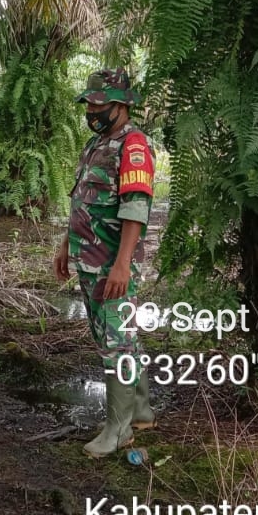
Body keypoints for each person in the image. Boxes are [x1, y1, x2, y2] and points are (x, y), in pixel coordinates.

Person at [54, 68, 158, 458]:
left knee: (116, 343)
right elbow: (80, 199)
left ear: (121, 105)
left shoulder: (133, 146)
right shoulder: (97, 143)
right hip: (89, 259)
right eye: (89, 103)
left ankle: (119, 428)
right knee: (118, 336)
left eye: (100, 104)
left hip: (113, 264)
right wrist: (66, 246)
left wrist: (122, 265)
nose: (92, 110)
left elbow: (135, 210)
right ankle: (142, 410)